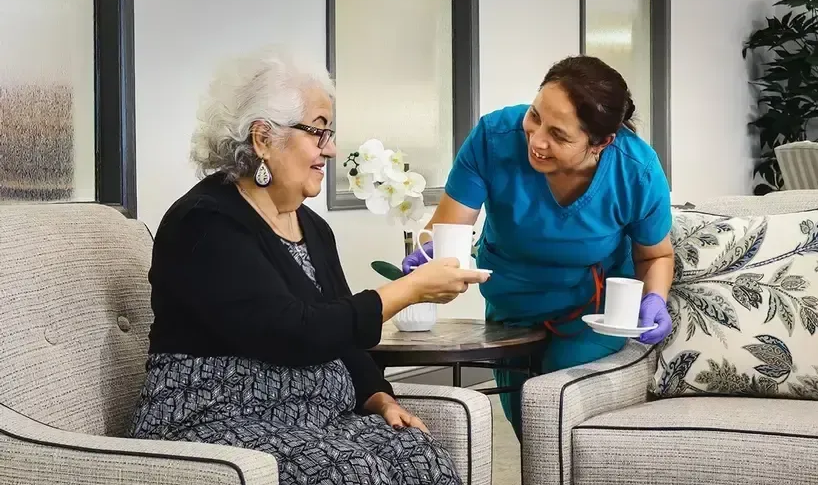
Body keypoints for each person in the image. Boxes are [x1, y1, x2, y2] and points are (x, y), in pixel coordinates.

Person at [127, 46, 488, 485]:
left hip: (308, 417)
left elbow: (341, 335)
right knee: (352, 471)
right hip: (214, 417)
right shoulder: (204, 222)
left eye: (330, 133)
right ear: (263, 138)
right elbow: (292, 331)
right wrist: (408, 290)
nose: (331, 149)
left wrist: (378, 396)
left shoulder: (313, 227)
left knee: (420, 455)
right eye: (317, 132)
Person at [402, 55, 674, 439]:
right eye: (534, 116)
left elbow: (656, 254)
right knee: (528, 429)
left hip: (591, 314)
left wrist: (655, 298)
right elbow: (449, 229)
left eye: (559, 136)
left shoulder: (635, 170)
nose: (537, 140)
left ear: (602, 142)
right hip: (513, 307)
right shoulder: (493, 138)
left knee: (550, 403)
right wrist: (429, 258)